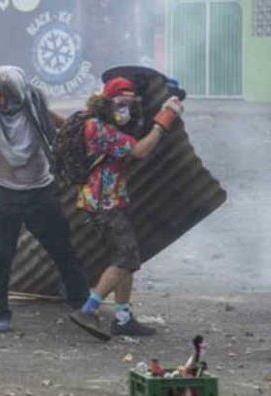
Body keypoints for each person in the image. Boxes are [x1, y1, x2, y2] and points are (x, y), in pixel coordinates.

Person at [0, 65, 90, 332]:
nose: (0, 101)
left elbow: (64, 127)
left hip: (40, 190)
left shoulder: (33, 107)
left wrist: (90, 124)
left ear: (18, 92)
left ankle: (81, 304)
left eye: (5, 96)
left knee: (62, 248)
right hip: (1, 193)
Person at [68, 77, 184, 340]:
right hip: (102, 203)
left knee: (124, 259)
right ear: (106, 102)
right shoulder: (97, 128)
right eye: (120, 103)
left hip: (110, 201)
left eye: (129, 104)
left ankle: (123, 317)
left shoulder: (105, 123)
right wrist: (165, 118)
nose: (125, 109)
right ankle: (88, 309)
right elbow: (140, 150)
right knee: (127, 257)